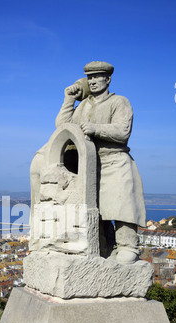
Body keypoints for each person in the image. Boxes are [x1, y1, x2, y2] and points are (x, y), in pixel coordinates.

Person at [53, 60, 146, 264]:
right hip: (90, 164)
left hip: (115, 161)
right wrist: (69, 100)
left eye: (97, 76)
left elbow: (123, 131)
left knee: (121, 205)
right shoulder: (83, 105)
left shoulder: (119, 102)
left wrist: (96, 128)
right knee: (97, 211)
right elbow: (62, 127)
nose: (92, 81)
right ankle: (105, 247)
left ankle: (128, 245)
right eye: (89, 77)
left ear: (108, 78)